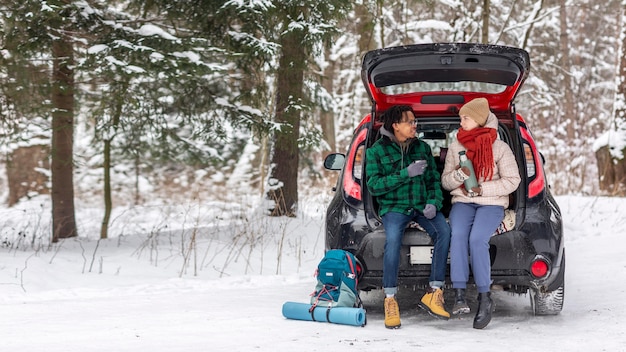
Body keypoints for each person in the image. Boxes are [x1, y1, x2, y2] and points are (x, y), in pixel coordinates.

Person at [365, 105, 451, 329]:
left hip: (422, 205)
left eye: (414, 121)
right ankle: (390, 298)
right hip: (395, 207)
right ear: (395, 125)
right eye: (409, 122)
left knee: (444, 231)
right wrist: (406, 173)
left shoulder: (422, 147)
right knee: (393, 240)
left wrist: (434, 202)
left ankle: (434, 292)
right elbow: (374, 186)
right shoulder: (376, 152)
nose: (415, 125)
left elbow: (433, 180)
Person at [441, 97, 521, 329]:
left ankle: (485, 298)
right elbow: (445, 183)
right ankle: (458, 294)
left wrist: (482, 188)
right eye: (461, 118)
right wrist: (459, 176)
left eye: (465, 118)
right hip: (463, 202)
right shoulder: (457, 146)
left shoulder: (500, 147)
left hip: (492, 203)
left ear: (478, 120)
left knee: (477, 240)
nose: (461, 122)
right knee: (457, 236)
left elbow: (513, 180)